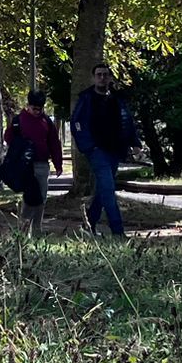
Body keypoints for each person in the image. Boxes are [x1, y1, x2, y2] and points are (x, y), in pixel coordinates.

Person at [70, 62, 135, 238]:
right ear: (93, 77)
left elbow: (127, 120)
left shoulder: (116, 99)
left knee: (102, 190)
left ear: (109, 77)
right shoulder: (86, 99)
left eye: (105, 74)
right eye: (98, 74)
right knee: (108, 188)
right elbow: (76, 123)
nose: (102, 77)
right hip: (96, 151)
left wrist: (133, 142)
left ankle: (89, 224)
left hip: (114, 150)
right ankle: (118, 232)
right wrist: (88, 145)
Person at [4, 89, 63, 234]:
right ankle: (23, 228)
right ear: (28, 106)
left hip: (42, 164)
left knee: (41, 198)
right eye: (34, 108)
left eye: (40, 109)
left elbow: (54, 143)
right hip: (25, 165)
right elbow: (8, 137)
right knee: (30, 197)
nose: (37, 111)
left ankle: (37, 228)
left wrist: (58, 164)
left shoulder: (46, 121)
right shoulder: (19, 120)